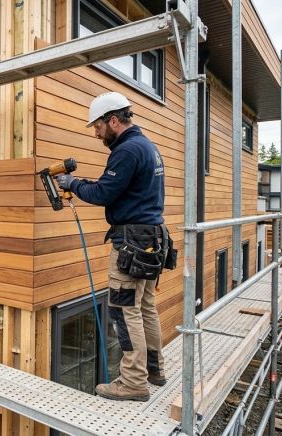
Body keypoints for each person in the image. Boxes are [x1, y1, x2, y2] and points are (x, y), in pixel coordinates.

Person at [55, 91, 169, 402]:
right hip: (151, 238)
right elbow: (117, 188)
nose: (96, 133)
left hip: (131, 242)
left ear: (113, 120)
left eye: (97, 127)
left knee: (123, 309)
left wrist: (73, 185)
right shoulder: (146, 146)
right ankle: (154, 369)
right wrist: (90, 183)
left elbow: (104, 194)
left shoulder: (127, 150)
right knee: (145, 307)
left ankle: (133, 382)